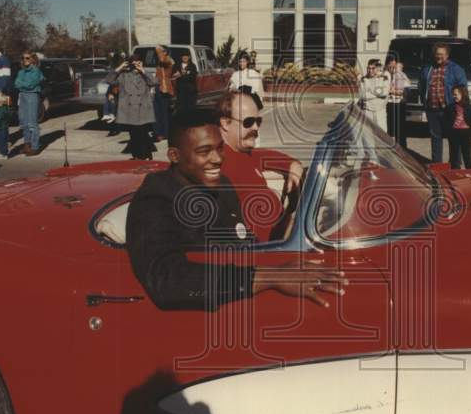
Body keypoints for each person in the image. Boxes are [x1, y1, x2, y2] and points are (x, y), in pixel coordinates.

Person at [125, 109, 345, 311]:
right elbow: (166, 279)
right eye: (204, 151)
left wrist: (284, 251)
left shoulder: (221, 185)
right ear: (174, 156)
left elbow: (243, 243)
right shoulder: (155, 200)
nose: (218, 159)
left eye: (220, 148)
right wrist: (267, 277)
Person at [218, 90, 304, 242]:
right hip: (265, 250)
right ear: (225, 123)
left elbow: (276, 158)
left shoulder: (245, 153)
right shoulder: (218, 163)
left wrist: (293, 165)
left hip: (283, 237)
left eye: (258, 121)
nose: (256, 128)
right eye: (248, 122)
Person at [418, 43, 468, 163]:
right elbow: (421, 85)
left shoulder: (456, 69)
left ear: (447, 55)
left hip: (450, 109)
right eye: (437, 54)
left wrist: (460, 108)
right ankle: (437, 164)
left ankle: (455, 165)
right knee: (435, 137)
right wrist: (425, 101)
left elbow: (462, 88)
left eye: (442, 54)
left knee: (454, 137)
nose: (439, 56)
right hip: (432, 109)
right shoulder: (428, 68)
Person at [105, 54, 157, 160]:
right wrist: (120, 68)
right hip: (129, 109)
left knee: (143, 133)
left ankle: (146, 155)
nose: (136, 65)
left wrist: (143, 70)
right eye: (134, 63)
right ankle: (136, 156)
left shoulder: (145, 74)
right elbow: (109, 80)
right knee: (133, 134)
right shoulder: (124, 75)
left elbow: (154, 82)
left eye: (138, 62)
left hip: (142, 109)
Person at [14, 52, 44, 156]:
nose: (24, 60)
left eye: (27, 58)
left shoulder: (36, 71)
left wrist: (21, 84)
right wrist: (22, 84)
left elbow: (30, 85)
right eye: (23, 58)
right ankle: (27, 145)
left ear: (33, 59)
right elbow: (16, 83)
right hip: (22, 96)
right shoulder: (21, 71)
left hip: (32, 96)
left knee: (32, 122)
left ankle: (35, 147)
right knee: (23, 121)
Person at [446, 85, 471, 169]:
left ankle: (468, 171)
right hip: (454, 132)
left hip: (466, 132)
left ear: (463, 94)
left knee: (467, 155)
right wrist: (449, 130)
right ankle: (454, 171)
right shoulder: (450, 107)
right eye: (453, 94)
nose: (454, 96)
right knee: (453, 155)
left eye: (456, 94)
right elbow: (447, 120)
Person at [358, 58, 390, 132]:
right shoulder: (363, 79)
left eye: (373, 68)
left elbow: (385, 93)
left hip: (380, 111)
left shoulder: (384, 78)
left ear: (378, 68)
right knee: (367, 134)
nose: (370, 70)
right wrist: (377, 94)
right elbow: (363, 95)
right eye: (368, 68)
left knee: (381, 134)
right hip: (367, 111)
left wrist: (370, 90)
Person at [385, 55, 409, 149]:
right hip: (388, 104)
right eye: (390, 66)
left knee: (400, 128)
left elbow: (405, 91)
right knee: (389, 128)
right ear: (387, 65)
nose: (393, 68)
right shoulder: (384, 75)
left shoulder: (401, 75)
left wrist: (392, 91)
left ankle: (402, 149)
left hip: (399, 104)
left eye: (394, 66)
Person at [151, 45, 175, 141]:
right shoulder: (159, 62)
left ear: (165, 52)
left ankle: (165, 133)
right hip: (158, 88)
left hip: (165, 89)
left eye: (160, 52)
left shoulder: (169, 60)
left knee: (164, 112)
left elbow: (166, 63)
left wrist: (159, 51)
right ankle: (158, 133)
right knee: (156, 111)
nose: (157, 54)